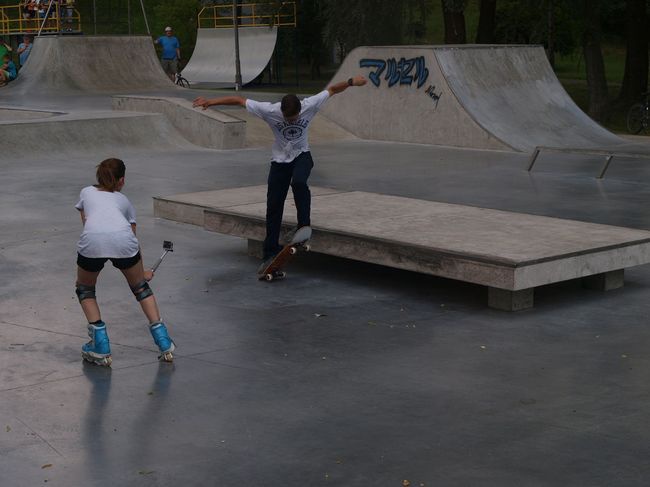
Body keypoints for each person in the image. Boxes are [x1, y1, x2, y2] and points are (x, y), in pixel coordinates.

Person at [192, 75, 367, 268]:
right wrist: (210, 102)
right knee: (273, 206)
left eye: (294, 119)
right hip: (279, 161)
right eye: (287, 118)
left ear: (300, 110)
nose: (290, 121)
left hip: (302, 155)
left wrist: (351, 82)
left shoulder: (310, 104)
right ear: (281, 111)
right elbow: (239, 100)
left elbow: (332, 89)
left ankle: (303, 226)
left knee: (299, 182)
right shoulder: (269, 110)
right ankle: (270, 253)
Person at [74, 158, 175, 366]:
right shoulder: (124, 201)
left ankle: (100, 345)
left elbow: (87, 221)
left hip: (92, 241)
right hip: (124, 242)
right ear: (122, 181)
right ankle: (164, 342)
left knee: (85, 289)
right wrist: (142, 272)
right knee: (140, 287)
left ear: (98, 177)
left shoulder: (86, 192)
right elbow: (132, 237)